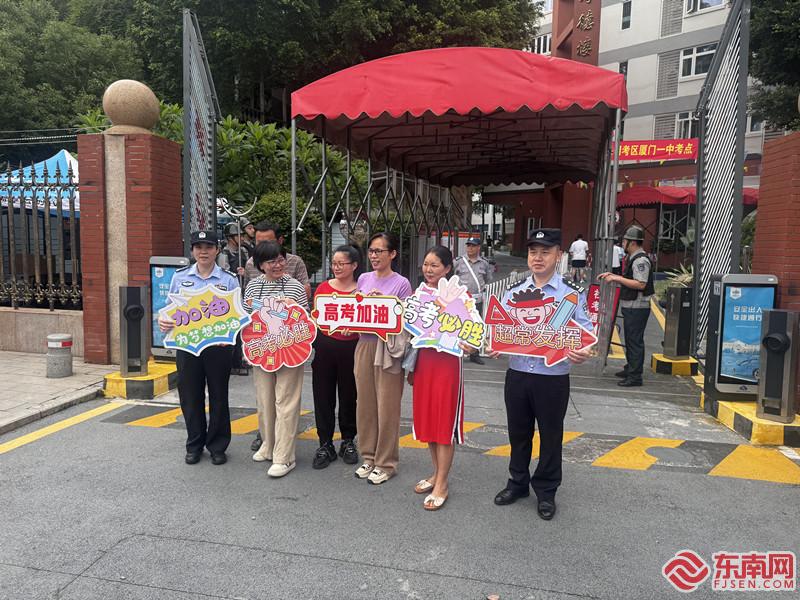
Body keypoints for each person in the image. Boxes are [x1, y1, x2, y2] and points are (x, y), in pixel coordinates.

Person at [491, 228, 593, 521]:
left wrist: (583, 352)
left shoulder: (571, 295)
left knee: (551, 435)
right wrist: (495, 344)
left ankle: (546, 491)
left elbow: (586, 334)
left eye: (545, 252)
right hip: (518, 374)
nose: (538, 257)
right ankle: (518, 483)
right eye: (533, 252)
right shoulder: (513, 292)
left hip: (553, 378)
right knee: (518, 432)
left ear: (558, 255)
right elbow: (501, 329)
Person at [158, 231, 240, 466]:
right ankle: (194, 444)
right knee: (190, 396)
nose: (203, 251)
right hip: (187, 346)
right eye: (198, 247)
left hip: (218, 348)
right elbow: (169, 310)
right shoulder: (180, 277)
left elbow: (237, 313)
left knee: (219, 396)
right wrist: (163, 321)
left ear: (217, 250)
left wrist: (230, 334)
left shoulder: (228, 279)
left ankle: (217, 446)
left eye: (208, 247)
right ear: (192, 251)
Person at [409, 246, 478, 511]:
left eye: (435, 265)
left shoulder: (461, 295)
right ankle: (436, 473)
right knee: (428, 422)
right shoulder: (419, 294)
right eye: (426, 264)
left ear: (447, 268)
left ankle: (442, 483)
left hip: (448, 364)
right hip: (424, 363)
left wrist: (471, 344)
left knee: (444, 424)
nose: (428, 270)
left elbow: (474, 331)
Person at [244, 241, 309, 477]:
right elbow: (246, 320)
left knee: (286, 401)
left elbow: (306, 320)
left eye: (281, 260)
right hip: (261, 351)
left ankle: (285, 456)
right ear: (260, 265)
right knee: (265, 400)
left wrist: (293, 308)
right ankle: (268, 444)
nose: (278, 265)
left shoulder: (295, 287)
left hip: (290, 351)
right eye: (271, 261)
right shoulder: (253, 287)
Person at [353, 232, 412, 485]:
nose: (374, 256)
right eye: (371, 251)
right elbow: (355, 311)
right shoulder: (363, 278)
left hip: (388, 348)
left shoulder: (402, 283)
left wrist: (385, 303)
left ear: (392, 254)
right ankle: (368, 456)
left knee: (387, 407)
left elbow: (406, 318)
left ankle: (386, 462)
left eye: (379, 251)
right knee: (365, 405)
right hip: (364, 345)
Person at [310, 245, 362, 469]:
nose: (337, 267)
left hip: (352, 348)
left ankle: (348, 440)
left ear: (354, 265)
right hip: (325, 348)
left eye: (342, 263)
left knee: (350, 396)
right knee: (323, 396)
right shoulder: (323, 288)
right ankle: (325, 443)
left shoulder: (362, 290)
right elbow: (316, 318)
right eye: (334, 263)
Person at [598, 225, 654, 388]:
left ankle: (635, 376)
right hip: (632, 305)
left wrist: (616, 278)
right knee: (630, 339)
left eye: (625, 241)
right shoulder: (634, 258)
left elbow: (641, 284)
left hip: (637, 306)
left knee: (634, 341)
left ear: (633, 243)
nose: (623, 244)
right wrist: (613, 275)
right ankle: (631, 368)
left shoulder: (640, 260)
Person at [243, 221, 311, 300]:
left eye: (268, 242)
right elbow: (247, 297)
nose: (264, 247)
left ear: (280, 241)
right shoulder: (250, 263)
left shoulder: (295, 261)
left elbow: (306, 293)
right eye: (259, 243)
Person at [454, 236, 493, 365]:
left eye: (473, 246)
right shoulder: (459, 261)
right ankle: (457, 350)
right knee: (459, 324)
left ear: (478, 247)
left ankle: (474, 353)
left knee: (476, 326)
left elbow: (487, 279)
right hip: (462, 300)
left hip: (477, 299)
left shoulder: (484, 263)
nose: (470, 248)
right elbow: (452, 277)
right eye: (468, 245)